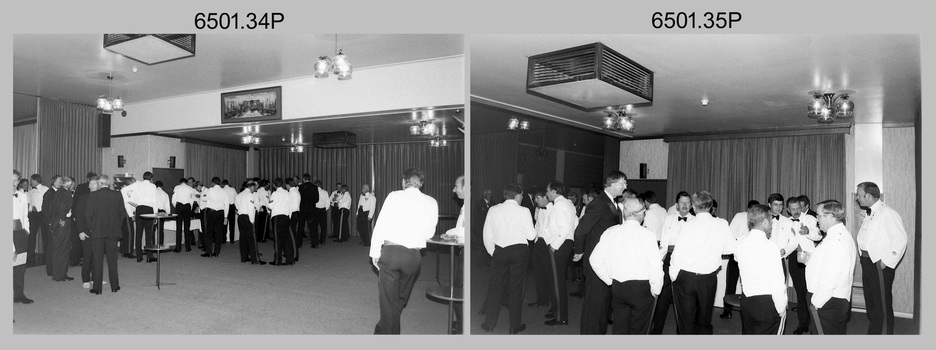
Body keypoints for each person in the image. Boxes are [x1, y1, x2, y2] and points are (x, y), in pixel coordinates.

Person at [370, 168, 439, 334]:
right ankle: (385, 326)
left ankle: (387, 329)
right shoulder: (431, 202)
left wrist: (374, 252)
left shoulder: (394, 196)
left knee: (388, 300)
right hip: (412, 257)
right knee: (400, 297)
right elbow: (430, 233)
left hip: (391, 253)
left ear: (403, 182)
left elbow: (381, 225)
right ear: (421, 183)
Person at [590, 197, 662, 334]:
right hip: (641, 289)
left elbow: (594, 259)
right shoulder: (647, 235)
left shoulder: (610, 232)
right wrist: (656, 288)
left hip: (618, 288)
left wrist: (608, 280)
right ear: (641, 214)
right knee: (639, 330)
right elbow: (655, 266)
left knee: (620, 329)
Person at [668, 190, 734, 334]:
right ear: (710, 206)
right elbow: (730, 248)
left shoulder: (689, 225)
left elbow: (677, 254)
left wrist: (674, 276)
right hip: (708, 279)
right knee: (704, 320)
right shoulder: (722, 224)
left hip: (686, 278)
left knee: (685, 321)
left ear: (694, 206)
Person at [573, 171, 626, 334]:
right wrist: (580, 252)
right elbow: (580, 230)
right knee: (595, 305)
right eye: (623, 183)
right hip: (596, 262)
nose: (625, 186)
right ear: (612, 183)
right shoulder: (599, 203)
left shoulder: (610, 202)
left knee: (602, 303)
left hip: (605, 260)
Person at [480, 183, 535, 334]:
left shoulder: (493, 209)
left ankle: (489, 324)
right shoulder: (524, 211)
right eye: (522, 195)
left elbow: (487, 235)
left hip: (499, 251)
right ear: (517, 195)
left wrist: (493, 252)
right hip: (519, 252)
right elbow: (531, 235)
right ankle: (514, 326)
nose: (522, 197)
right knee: (516, 289)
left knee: (495, 288)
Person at [855, 182, 907, 334]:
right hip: (867, 262)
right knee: (872, 304)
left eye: (859, 194)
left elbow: (900, 240)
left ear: (869, 196)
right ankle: (875, 333)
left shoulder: (887, 213)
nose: (857, 198)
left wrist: (886, 262)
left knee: (882, 305)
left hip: (879, 264)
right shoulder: (871, 212)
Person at [733, 204, 787, 334]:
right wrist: (781, 308)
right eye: (770, 221)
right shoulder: (771, 247)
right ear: (764, 222)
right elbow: (777, 282)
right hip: (767, 304)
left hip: (747, 301)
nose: (772, 224)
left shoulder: (740, 244)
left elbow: (736, 258)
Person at [807, 200, 857, 334]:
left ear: (830, 216)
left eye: (818, 216)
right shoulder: (836, 235)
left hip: (827, 301)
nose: (817, 220)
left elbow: (830, 277)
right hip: (832, 300)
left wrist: (816, 303)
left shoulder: (836, 240)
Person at [650, 190, 693, 334]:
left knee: (684, 302)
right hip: (668, 260)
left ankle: (682, 334)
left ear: (691, 205)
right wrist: (658, 261)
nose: (685, 205)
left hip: (686, 263)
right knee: (662, 299)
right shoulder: (669, 219)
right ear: (676, 205)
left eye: (687, 203)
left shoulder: (696, 222)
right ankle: (656, 331)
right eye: (682, 202)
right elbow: (663, 240)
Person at [542, 181, 578, 326]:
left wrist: (554, 246)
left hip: (560, 244)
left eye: (548, 190)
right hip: (567, 243)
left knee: (557, 284)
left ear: (555, 191)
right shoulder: (568, 204)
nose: (546, 193)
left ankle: (560, 317)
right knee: (557, 281)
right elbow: (575, 224)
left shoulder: (559, 205)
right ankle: (557, 311)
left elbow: (563, 228)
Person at [84, 175, 125, 294]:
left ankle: (97, 288)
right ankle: (115, 286)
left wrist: (92, 228)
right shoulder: (117, 194)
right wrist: (117, 226)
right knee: (112, 260)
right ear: (108, 183)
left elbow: (88, 215)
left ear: (99, 183)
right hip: (113, 231)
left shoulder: (93, 195)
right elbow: (122, 214)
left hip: (97, 232)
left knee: (97, 259)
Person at [787, 195, 820, 334]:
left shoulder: (810, 219)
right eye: (792, 209)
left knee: (810, 292)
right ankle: (803, 324)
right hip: (794, 258)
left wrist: (808, 232)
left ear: (801, 207)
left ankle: (815, 324)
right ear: (788, 210)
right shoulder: (786, 222)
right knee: (800, 293)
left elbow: (818, 236)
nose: (796, 211)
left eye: (798, 208)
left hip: (809, 259)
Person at [721, 199, 760, 319]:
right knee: (730, 283)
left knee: (748, 285)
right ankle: (727, 311)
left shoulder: (759, 219)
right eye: (751, 209)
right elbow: (730, 233)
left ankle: (748, 311)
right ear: (747, 209)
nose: (753, 212)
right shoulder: (739, 216)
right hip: (736, 253)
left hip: (750, 257)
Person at [445, 175, 466, 333]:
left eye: (456, 186)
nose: (454, 189)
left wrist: (448, 232)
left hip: (466, 252)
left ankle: (462, 328)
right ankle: (460, 323)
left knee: (459, 289)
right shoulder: (464, 205)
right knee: (458, 288)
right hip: (462, 249)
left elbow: (463, 231)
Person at [127, 172, 160, 263]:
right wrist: (156, 214)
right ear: (151, 178)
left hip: (139, 209)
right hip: (149, 210)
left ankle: (139, 256)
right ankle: (149, 257)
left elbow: (129, 195)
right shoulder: (153, 186)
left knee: (138, 234)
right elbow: (155, 201)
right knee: (148, 235)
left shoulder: (137, 185)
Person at [47, 176, 75, 281]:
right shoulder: (67, 193)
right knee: (64, 250)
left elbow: (51, 208)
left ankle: (57, 274)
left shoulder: (57, 192)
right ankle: (61, 275)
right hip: (63, 223)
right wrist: (62, 219)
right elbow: (63, 207)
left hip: (55, 223)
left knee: (58, 250)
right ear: (68, 184)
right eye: (72, 184)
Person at [528, 189, 552, 308]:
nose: (536, 201)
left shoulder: (554, 209)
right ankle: (541, 299)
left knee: (548, 274)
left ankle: (552, 302)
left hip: (548, 244)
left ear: (545, 197)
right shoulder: (538, 209)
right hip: (538, 243)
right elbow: (537, 225)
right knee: (538, 273)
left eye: (537, 198)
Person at [75, 176, 100, 289]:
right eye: (90, 184)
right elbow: (79, 216)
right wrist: (80, 231)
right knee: (87, 256)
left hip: (99, 232)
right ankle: (86, 279)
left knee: (98, 257)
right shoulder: (84, 198)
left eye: (94, 184)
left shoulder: (102, 198)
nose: (91, 186)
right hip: (86, 231)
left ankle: (96, 278)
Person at [13, 170, 33, 304]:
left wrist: (27, 231)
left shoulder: (22, 195)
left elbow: (25, 216)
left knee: (20, 266)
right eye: (12, 180)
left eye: (16, 181)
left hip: (20, 234)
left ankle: (19, 295)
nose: (14, 184)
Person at [70, 172, 96, 267]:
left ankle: (76, 259)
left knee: (79, 240)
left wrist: (75, 215)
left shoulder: (80, 187)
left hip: (80, 216)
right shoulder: (84, 190)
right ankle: (77, 259)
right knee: (79, 241)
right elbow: (77, 201)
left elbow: (75, 201)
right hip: (84, 217)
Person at [236, 181, 265, 265]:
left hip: (240, 217)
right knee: (252, 238)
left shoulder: (240, 194)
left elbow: (237, 206)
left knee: (243, 238)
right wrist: (252, 220)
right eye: (254, 187)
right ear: (251, 187)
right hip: (248, 217)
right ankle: (255, 259)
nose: (255, 189)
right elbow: (251, 209)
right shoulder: (250, 195)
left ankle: (244, 257)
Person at [268, 178, 294, 266]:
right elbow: (290, 205)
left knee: (277, 239)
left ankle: (277, 260)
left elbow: (270, 206)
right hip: (286, 216)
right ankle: (290, 259)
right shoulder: (287, 193)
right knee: (287, 239)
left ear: (274, 185)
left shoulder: (274, 194)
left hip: (277, 218)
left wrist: (268, 201)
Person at [202, 177, 229, 258]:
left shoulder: (210, 190)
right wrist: (225, 216)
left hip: (211, 212)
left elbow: (204, 199)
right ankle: (216, 252)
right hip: (221, 213)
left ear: (212, 183)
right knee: (218, 233)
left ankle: (209, 252)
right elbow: (226, 205)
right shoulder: (224, 191)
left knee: (209, 232)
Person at [27, 174, 49, 267]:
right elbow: (31, 203)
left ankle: (47, 254)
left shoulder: (45, 189)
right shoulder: (31, 190)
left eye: (31, 180)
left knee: (45, 234)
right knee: (32, 234)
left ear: (35, 180)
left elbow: (47, 202)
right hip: (33, 214)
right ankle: (30, 253)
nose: (30, 182)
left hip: (42, 214)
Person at [172, 178, 196, 252]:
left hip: (179, 206)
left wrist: (176, 207)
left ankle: (178, 248)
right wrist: (190, 208)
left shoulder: (176, 187)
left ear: (180, 182)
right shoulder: (190, 188)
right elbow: (192, 200)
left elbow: (173, 199)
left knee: (178, 227)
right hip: (187, 206)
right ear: (186, 182)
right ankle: (188, 247)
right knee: (187, 227)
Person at [298, 174, 319, 248]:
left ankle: (299, 243)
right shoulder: (315, 187)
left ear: (303, 179)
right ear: (310, 179)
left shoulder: (300, 187)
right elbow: (317, 199)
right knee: (313, 227)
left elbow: (298, 198)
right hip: (311, 209)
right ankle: (315, 243)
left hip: (302, 209)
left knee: (300, 227)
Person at [118, 177, 137, 259]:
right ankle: (128, 251)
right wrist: (131, 215)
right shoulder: (127, 190)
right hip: (126, 212)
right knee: (129, 233)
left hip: (124, 212)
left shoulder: (125, 190)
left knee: (125, 232)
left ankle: (123, 250)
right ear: (131, 182)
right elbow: (127, 204)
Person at [286, 177, 301, 258]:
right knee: (290, 234)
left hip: (292, 214)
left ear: (288, 185)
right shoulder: (294, 191)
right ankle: (291, 251)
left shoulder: (293, 193)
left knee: (292, 234)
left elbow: (292, 206)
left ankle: (295, 254)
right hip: (294, 213)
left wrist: (288, 216)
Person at [312, 179, 329, 246]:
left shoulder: (313, 192)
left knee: (314, 226)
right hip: (323, 210)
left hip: (315, 210)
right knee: (323, 226)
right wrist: (325, 209)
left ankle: (315, 240)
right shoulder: (325, 192)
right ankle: (322, 240)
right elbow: (328, 202)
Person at [255, 179, 271, 243]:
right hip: (264, 208)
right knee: (264, 224)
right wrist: (269, 211)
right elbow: (266, 202)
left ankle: (258, 237)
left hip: (258, 208)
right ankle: (263, 238)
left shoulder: (257, 191)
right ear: (266, 185)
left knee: (259, 223)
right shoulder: (265, 192)